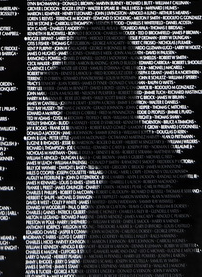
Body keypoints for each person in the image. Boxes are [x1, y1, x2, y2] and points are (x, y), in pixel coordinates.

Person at [40, 20, 192, 275]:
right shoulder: (142, 172)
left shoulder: (139, 182)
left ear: (102, 102)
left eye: (75, 100)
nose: (66, 113)